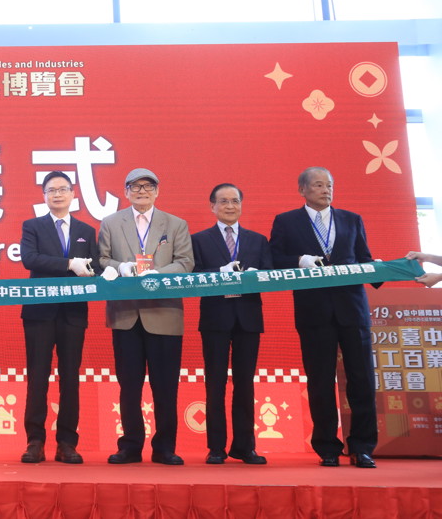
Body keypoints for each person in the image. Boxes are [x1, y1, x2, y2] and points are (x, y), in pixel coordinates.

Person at [270, 166, 379, 469]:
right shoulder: (286, 221)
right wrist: (298, 260)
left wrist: (381, 269)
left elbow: (365, 259)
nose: (326, 190)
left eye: (329, 185)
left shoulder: (351, 219)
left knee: (361, 378)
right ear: (302, 190)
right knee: (319, 380)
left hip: (352, 309)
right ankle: (327, 447)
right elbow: (272, 259)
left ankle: (362, 447)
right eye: (318, 185)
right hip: (314, 311)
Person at [99, 167, 194, 465]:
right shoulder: (111, 223)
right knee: (129, 385)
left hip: (164, 312)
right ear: (126, 192)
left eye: (148, 186)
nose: (142, 191)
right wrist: (121, 267)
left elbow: (185, 262)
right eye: (135, 186)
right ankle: (130, 446)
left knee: (165, 386)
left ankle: (165, 447)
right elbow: (101, 259)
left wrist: (158, 274)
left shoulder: (176, 224)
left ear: (157, 191)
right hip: (125, 313)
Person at [18, 170, 99, 465]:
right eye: (51, 190)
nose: (57, 194)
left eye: (63, 189)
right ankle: (35, 441)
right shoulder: (33, 226)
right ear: (44, 196)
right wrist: (69, 264)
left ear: (73, 194)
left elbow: (95, 265)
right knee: (37, 376)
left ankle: (66, 442)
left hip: (73, 312)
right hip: (39, 311)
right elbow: (30, 259)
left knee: (70, 377)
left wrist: (96, 270)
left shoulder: (86, 230)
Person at [191, 183, 271, 465]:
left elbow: (270, 273)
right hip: (216, 318)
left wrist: (255, 275)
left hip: (248, 318)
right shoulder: (199, 240)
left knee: (245, 384)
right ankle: (216, 447)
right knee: (215, 383)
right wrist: (220, 273)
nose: (229, 206)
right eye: (223, 201)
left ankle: (245, 447)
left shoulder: (257, 240)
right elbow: (194, 275)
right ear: (212, 206)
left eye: (235, 201)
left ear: (241, 205)